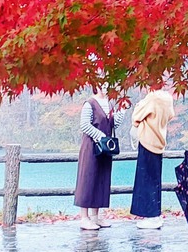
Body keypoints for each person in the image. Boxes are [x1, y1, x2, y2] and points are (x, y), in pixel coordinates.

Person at [75, 93, 128, 229]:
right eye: (101, 82)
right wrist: (100, 136)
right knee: (87, 180)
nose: (105, 86)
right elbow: (85, 125)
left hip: (105, 148)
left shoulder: (109, 103)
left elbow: (113, 124)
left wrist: (122, 110)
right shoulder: (90, 104)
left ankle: (95, 217)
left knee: (101, 179)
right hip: (91, 147)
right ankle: (84, 218)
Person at [130, 90, 175, 229]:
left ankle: (151, 216)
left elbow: (137, 115)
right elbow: (171, 115)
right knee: (154, 180)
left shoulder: (153, 98)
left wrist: (138, 105)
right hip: (159, 140)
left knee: (145, 179)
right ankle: (155, 214)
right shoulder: (167, 99)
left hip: (147, 140)